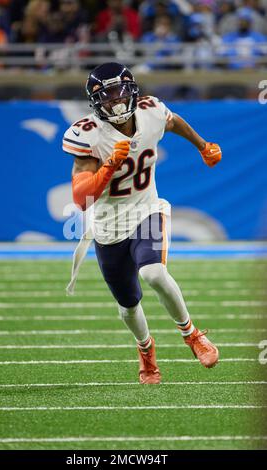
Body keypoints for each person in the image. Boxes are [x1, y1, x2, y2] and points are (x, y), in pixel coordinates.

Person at [62, 62, 221, 384]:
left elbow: (174, 122)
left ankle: (191, 335)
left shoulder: (150, 111)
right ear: (95, 102)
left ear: (133, 91)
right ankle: (146, 351)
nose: (116, 101)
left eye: (120, 92)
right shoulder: (89, 134)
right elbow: (81, 198)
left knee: (153, 272)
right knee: (128, 305)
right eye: (106, 97)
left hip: (146, 210)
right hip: (107, 225)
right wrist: (109, 166)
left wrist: (202, 145)